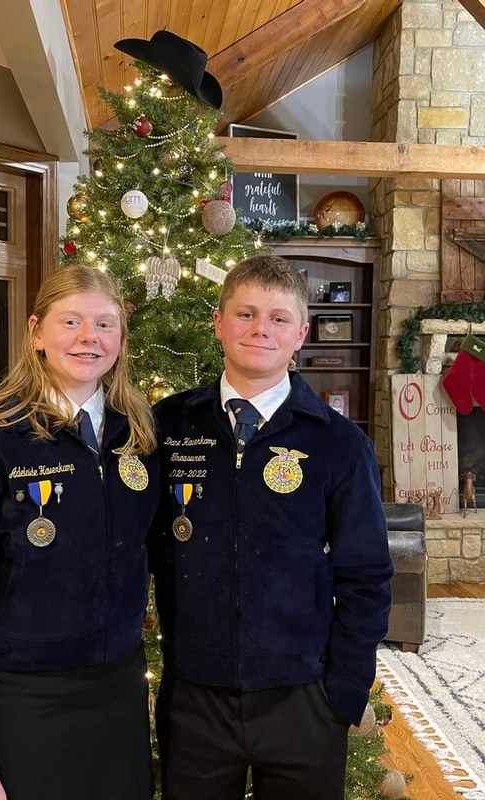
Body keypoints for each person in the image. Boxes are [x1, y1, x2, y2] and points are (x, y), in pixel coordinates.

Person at [149, 255, 393, 800]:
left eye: (279, 318)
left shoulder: (338, 443)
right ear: (219, 322)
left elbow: (367, 575)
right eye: (246, 313)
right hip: (195, 694)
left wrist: (346, 688)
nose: (261, 329)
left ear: (300, 334)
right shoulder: (167, 425)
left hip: (304, 694)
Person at [0, 265, 159, 800]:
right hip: (26, 699)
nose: (88, 337)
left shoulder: (139, 433)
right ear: (36, 332)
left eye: (104, 324)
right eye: (70, 321)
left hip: (120, 690)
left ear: (121, 337)